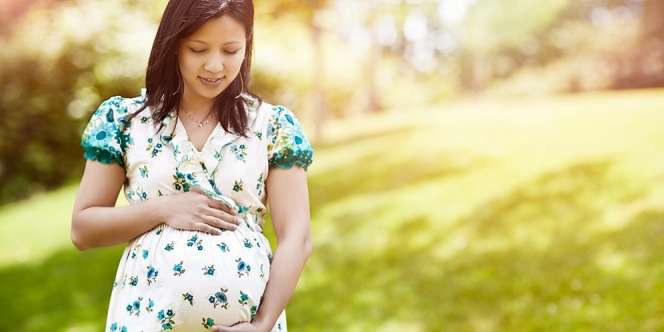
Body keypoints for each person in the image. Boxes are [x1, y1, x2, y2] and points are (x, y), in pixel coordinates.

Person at [70, 1, 314, 331]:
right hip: (144, 318)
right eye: (198, 49)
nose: (215, 65)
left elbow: (296, 237)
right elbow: (83, 229)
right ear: (173, 45)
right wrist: (164, 208)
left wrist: (262, 325)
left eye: (231, 50)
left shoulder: (273, 126)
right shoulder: (125, 121)